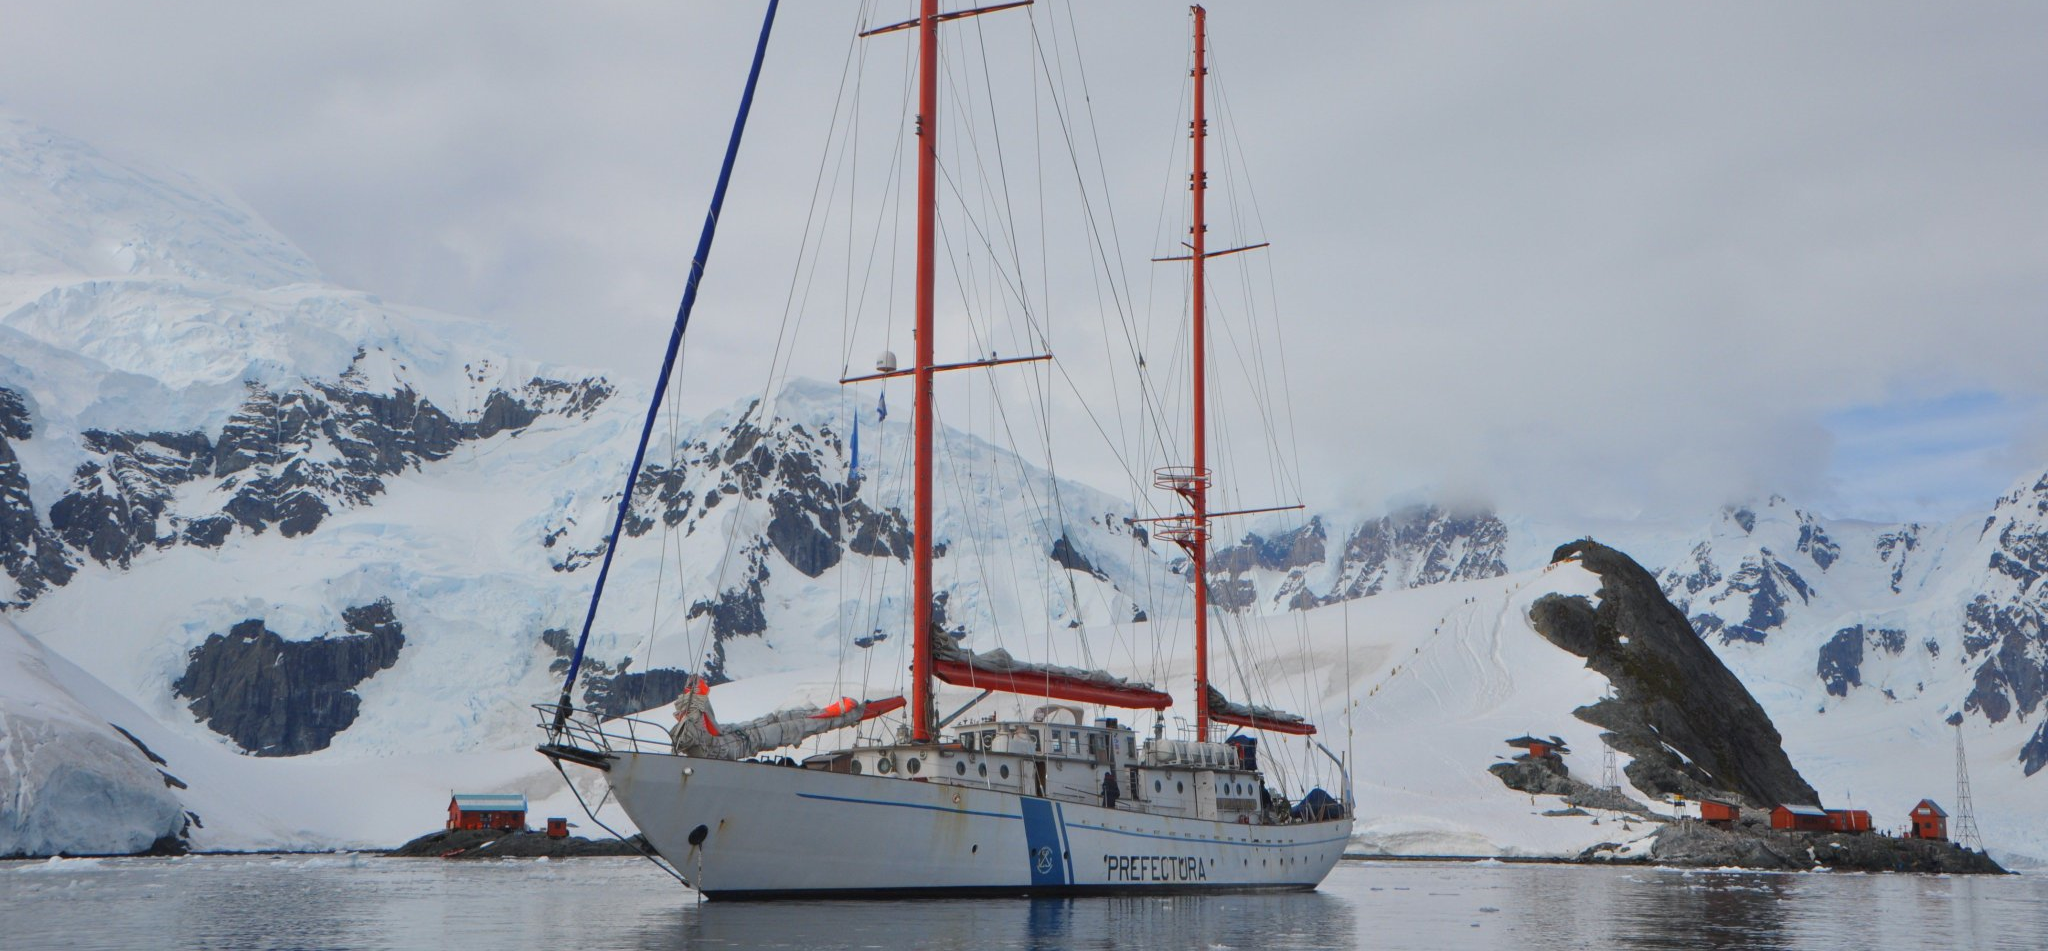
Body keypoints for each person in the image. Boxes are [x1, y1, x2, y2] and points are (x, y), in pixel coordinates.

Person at [668, 675, 721, 756]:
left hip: (697, 738)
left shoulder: (692, 701)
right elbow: (712, 722)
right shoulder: (700, 701)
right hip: (698, 738)